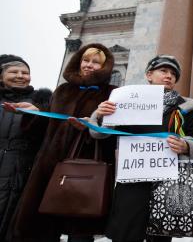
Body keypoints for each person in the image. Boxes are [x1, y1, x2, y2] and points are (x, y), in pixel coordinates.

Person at [6, 44, 117, 242]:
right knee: (42, 226)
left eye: (96, 62)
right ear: (78, 61)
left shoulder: (112, 93)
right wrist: (35, 113)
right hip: (50, 165)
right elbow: (47, 128)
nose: (89, 65)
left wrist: (93, 124)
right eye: (86, 60)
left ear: (105, 66)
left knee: (80, 229)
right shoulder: (62, 90)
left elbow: (114, 133)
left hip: (86, 166)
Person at [91, 54, 193, 242]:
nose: (169, 76)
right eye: (163, 71)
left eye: (173, 74)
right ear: (149, 75)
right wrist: (101, 116)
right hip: (133, 178)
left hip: (169, 180)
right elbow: (104, 135)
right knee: (126, 230)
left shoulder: (185, 108)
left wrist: (185, 145)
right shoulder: (127, 100)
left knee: (159, 235)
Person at [0, 55, 51, 241]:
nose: (21, 76)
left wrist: (37, 115)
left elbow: (49, 136)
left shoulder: (42, 101)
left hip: (23, 170)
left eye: (25, 73)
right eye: (14, 72)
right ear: (1, 76)